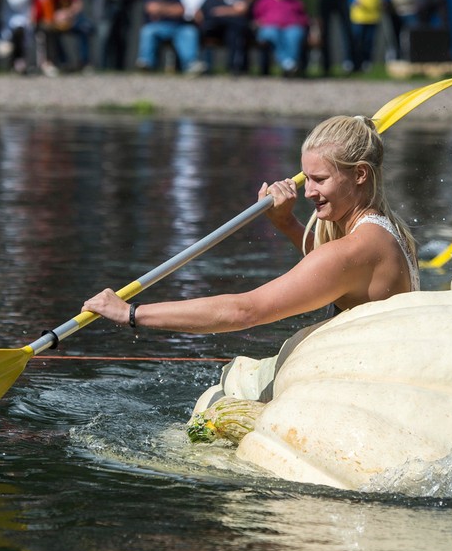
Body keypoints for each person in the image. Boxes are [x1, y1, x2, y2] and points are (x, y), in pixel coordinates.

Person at [82, 115, 420, 401]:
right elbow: (336, 275)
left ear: (360, 174)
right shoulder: (383, 231)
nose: (308, 192)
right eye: (307, 179)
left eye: (320, 179)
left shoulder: (355, 248)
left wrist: (131, 313)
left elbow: (245, 311)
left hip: (377, 394)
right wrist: (287, 223)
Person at [34, 0, 91, 75]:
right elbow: (38, 6)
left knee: (85, 27)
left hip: (69, 18)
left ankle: (84, 63)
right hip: (48, 19)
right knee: (48, 29)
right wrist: (55, 15)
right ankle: (53, 63)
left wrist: (67, 13)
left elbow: (78, 3)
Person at [135, 0, 201, 74]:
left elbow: (181, 10)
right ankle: (146, 63)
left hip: (177, 28)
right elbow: (151, 8)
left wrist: (161, 9)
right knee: (147, 31)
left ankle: (190, 64)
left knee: (190, 31)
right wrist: (171, 9)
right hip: (156, 28)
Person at [253, 0, 309, 76]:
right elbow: (257, 17)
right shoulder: (264, 1)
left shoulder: (295, 2)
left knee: (295, 34)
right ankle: (288, 62)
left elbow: (304, 18)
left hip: (291, 28)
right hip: (270, 28)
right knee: (272, 33)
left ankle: (287, 63)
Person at [199, 0, 249, 74]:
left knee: (235, 34)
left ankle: (235, 67)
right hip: (214, 28)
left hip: (232, 28)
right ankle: (205, 67)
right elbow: (202, 13)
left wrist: (222, 11)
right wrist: (231, 10)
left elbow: (242, 9)